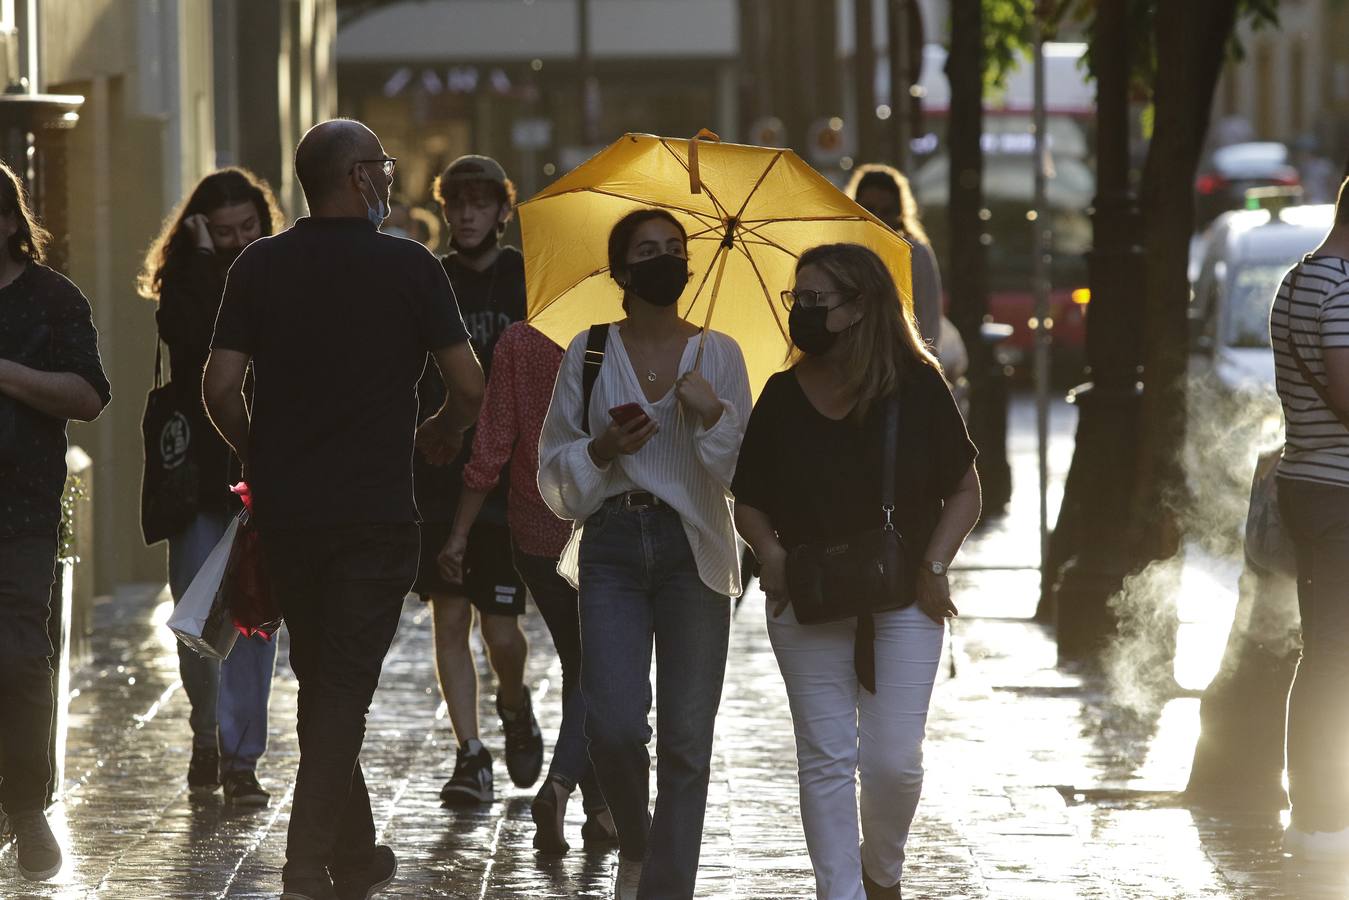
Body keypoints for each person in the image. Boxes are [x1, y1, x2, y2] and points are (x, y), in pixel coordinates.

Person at [203, 119, 484, 900]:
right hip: (374, 513)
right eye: (385, 168)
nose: (391, 179)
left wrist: (258, 452)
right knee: (340, 687)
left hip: (288, 516)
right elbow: (469, 388)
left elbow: (219, 387)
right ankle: (304, 863)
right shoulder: (410, 268)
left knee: (326, 678)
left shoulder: (259, 266)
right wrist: (442, 431)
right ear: (360, 177)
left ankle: (355, 859)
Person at [733, 243, 981, 899]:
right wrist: (773, 555)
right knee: (825, 759)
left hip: (902, 595)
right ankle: (838, 892)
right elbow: (749, 500)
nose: (803, 312)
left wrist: (934, 564)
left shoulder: (915, 386)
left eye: (817, 301)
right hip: (806, 597)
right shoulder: (782, 395)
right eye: (798, 299)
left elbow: (965, 491)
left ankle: (881, 872)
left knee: (894, 763)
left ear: (862, 307)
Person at [538, 208, 752, 900]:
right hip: (612, 547)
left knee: (687, 741)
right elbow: (552, 473)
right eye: (647, 251)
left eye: (675, 250)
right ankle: (637, 837)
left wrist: (711, 415)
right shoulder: (590, 350)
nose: (665, 261)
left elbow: (742, 473)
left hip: (694, 550)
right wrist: (601, 449)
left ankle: (664, 887)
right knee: (614, 724)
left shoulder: (717, 355)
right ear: (623, 272)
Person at [437, 320, 617, 853]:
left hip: (536, 525)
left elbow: (492, 442)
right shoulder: (633, 339)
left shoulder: (520, 340)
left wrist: (460, 533)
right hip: (613, 524)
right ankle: (562, 787)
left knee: (581, 662)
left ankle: (601, 806)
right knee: (600, 665)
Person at [138, 167, 285, 806]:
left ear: (264, 221)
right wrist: (197, 260)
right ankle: (207, 730)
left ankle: (241, 758)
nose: (235, 241)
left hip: (265, 471)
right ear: (200, 229)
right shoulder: (187, 282)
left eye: (246, 228)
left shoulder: (285, 273)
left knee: (252, 619)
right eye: (220, 231)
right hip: (199, 475)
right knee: (197, 627)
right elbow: (191, 340)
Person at [416, 154, 542, 806]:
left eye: (479, 202)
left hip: (502, 476)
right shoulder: (431, 279)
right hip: (440, 468)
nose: (467, 213)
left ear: (501, 209)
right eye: (456, 201)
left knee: (499, 629)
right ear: (444, 209)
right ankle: (470, 754)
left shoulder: (524, 278)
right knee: (449, 617)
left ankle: (513, 701)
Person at [0, 160, 110, 882]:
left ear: (10, 223)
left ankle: (26, 810)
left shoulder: (52, 299)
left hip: (22, 510)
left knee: (17, 657)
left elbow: (88, 395)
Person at [1273, 176, 1349, 860]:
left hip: (1306, 482)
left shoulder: (1295, 281)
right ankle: (1324, 817)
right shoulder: (1342, 290)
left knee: (1325, 654)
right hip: (1338, 494)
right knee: (1332, 658)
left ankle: (1317, 813)